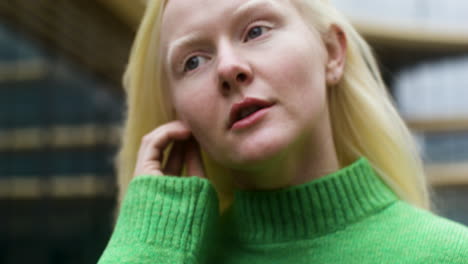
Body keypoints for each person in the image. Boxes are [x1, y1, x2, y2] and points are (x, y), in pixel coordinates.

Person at [98, 0, 468, 263]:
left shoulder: (449, 254)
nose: (228, 67)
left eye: (256, 31)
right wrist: (147, 248)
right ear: (178, 113)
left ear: (331, 52)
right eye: (193, 61)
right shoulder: (168, 256)